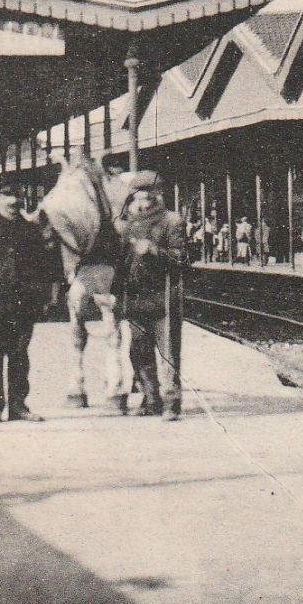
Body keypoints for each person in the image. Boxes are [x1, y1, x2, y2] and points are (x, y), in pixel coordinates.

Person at [0, 184, 59, 423]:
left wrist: (46, 295)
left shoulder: (30, 230)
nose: (13, 201)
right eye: (7, 196)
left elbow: (44, 265)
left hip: (24, 301)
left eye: (17, 195)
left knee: (19, 353)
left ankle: (18, 406)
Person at [115, 171, 189, 420]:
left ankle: (171, 402)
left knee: (168, 351)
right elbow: (119, 264)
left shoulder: (172, 221)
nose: (144, 203)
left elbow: (182, 260)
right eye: (138, 198)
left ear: (159, 197)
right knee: (138, 350)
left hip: (164, 297)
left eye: (149, 197)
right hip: (136, 297)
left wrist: (155, 250)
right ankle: (150, 398)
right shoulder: (126, 226)